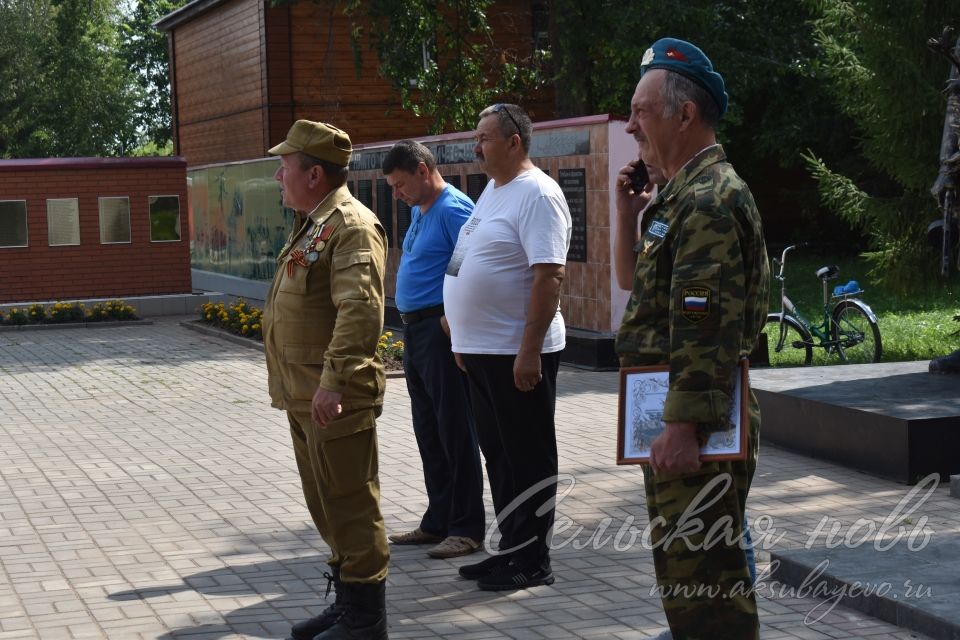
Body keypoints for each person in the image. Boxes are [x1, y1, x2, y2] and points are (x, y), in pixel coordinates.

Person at [613, 39, 769, 640]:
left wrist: (683, 427)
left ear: (685, 114)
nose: (630, 126)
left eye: (641, 112)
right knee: (695, 579)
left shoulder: (706, 199)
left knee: (707, 588)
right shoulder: (680, 196)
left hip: (696, 426)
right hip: (686, 417)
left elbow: (707, 328)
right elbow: (641, 289)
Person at [262, 120, 389, 640]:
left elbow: (360, 310)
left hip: (331, 396)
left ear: (314, 174)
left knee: (351, 503)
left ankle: (367, 620)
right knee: (327, 504)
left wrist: (334, 382)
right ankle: (347, 598)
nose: (277, 175)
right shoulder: (315, 222)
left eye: (285, 167)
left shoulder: (351, 225)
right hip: (305, 395)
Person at [443, 103, 572, 591]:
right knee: (497, 452)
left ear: (514, 140)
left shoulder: (538, 195)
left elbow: (549, 274)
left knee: (528, 454)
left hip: (515, 351)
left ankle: (534, 559)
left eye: (484, 137)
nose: (475, 146)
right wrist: (458, 326)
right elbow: (461, 262)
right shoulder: (492, 192)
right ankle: (512, 547)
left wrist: (529, 349)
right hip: (480, 349)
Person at [380, 140, 486, 559]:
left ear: (423, 171)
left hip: (440, 331)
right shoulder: (420, 209)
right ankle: (438, 520)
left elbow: (474, 263)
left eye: (400, 184)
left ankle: (466, 527)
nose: (396, 193)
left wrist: (453, 318)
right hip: (416, 333)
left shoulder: (453, 209)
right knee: (430, 431)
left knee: (455, 430)